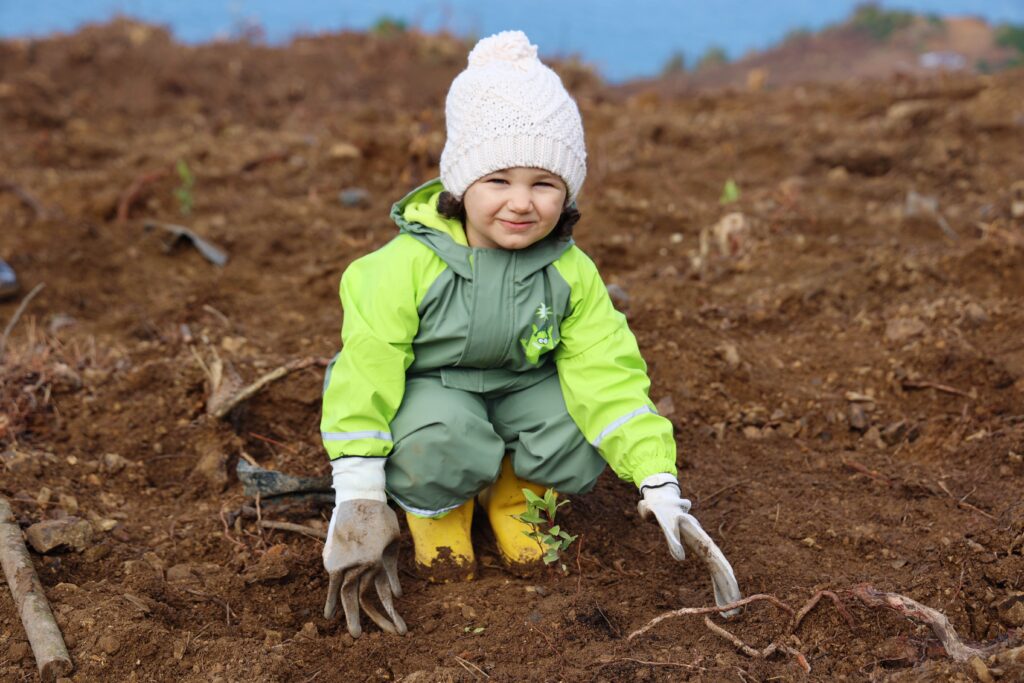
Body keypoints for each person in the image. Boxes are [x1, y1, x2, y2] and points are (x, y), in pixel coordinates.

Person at [320, 30, 740, 639]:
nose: (521, 203)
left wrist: (659, 479)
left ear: (567, 193)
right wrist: (358, 488)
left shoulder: (570, 272)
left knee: (576, 424)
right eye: (498, 181)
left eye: (543, 183)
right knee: (439, 435)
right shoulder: (401, 267)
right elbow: (367, 368)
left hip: (522, 384)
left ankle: (516, 499)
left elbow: (606, 372)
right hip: (432, 389)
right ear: (461, 185)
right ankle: (438, 507)